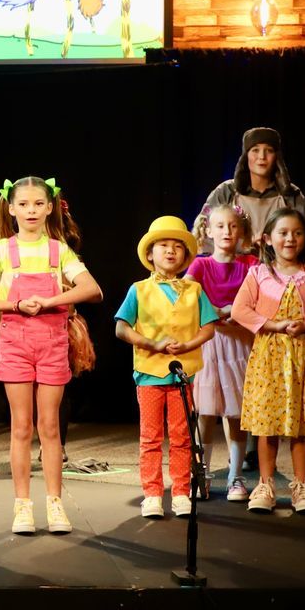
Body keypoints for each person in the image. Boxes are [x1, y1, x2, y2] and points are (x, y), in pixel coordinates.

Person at [0, 176, 104, 535]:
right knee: (21, 426)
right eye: (24, 204)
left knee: (49, 426)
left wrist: (50, 301)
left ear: (50, 207)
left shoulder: (59, 251)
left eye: (38, 204)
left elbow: (92, 289)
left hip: (52, 344)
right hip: (15, 344)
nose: (31, 210)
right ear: (11, 208)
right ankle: (23, 506)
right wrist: (15, 304)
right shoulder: (0, 250)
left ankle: (55, 504)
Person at [232, 209, 305, 515]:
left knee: (300, 424)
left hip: (303, 356)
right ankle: (265, 484)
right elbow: (240, 310)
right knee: (267, 424)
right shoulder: (259, 274)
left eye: (297, 233)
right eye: (283, 232)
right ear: (268, 239)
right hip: (269, 357)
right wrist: (273, 324)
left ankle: (301, 486)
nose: (290, 238)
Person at [113, 216, 213, 518]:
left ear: (185, 255)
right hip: (149, 373)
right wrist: (151, 343)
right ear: (150, 253)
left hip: (182, 375)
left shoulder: (194, 290)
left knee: (182, 436)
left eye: (177, 247)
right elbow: (121, 327)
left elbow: (209, 327)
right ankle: (153, 494)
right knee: (151, 437)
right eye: (163, 245)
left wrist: (190, 343)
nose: (170, 251)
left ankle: (181, 492)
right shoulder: (139, 289)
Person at [188, 203, 255, 500]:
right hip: (209, 341)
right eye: (220, 226)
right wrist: (212, 308)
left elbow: (258, 294)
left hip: (240, 343)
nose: (227, 231)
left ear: (241, 231)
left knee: (236, 412)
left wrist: (233, 310)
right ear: (209, 231)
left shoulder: (250, 264)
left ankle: (235, 476)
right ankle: (201, 474)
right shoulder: (201, 265)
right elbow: (187, 292)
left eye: (232, 226)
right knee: (205, 411)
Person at [199, 126, 305, 251]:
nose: (262, 156)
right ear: (246, 156)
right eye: (255, 150)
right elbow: (202, 233)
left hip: (279, 262)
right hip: (233, 262)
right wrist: (242, 246)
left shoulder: (290, 194)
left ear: (277, 157)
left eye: (269, 150)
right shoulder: (226, 192)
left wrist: (276, 244)